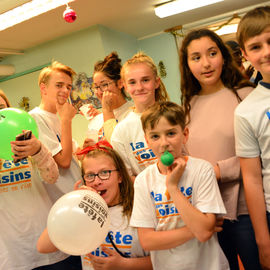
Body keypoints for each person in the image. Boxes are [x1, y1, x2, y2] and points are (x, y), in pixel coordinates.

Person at [179, 28, 260, 270]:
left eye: (212, 53)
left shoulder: (246, 96)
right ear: (187, 65)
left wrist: (217, 170)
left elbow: (262, 154)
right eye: (196, 57)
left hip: (247, 209)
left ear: (223, 56)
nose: (205, 63)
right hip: (208, 212)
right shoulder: (187, 106)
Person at [130, 101, 228, 270]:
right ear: (146, 141)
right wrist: (197, 229)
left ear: (185, 134)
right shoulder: (143, 180)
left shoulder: (202, 170)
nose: (164, 143)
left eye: (171, 133)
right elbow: (147, 241)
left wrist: (173, 187)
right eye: (155, 136)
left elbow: (204, 234)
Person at [37, 140, 153, 270]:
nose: (97, 182)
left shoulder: (140, 208)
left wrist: (124, 265)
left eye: (104, 173)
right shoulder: (82, 212)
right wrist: (73, 205)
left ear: (119, 176)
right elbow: (43, 247)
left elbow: (164, 260)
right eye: (90, 175)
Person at [0, 90, 70, 270]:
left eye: (1, 108)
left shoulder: (29, 142)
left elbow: (52, 177)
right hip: (11, 254)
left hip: (47, 244)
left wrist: (38, 150)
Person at [29, 61, 82, 269]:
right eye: (59, 85)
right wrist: (67, 120)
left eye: (69, 86)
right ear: (43, 88)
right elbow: (64, 162)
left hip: (77, 202)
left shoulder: (57, 117)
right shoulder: (36, 118)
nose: (65, 91)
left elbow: (71, 155)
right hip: (62, 208)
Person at [234, 6, 270, 270]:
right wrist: (263, 241)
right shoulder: (246, 111)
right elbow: (253, 178)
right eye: (256, 47)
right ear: (245, 54)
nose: (266, 51)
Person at [111, 52, 169, 179]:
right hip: (149, 196)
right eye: (132, 82)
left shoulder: (173, 117)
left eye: (145, 80)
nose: (140, 87)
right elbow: (127, 177)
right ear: (125, 87)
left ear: (157, 82)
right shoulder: (121, 131)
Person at [86, 52, 133, 142]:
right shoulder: (98, 119)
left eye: (104, 85)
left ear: (120, 83)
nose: (99, 92)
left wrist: (107, 110)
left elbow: (117, 146)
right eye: (96, 87)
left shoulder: (132, 113)